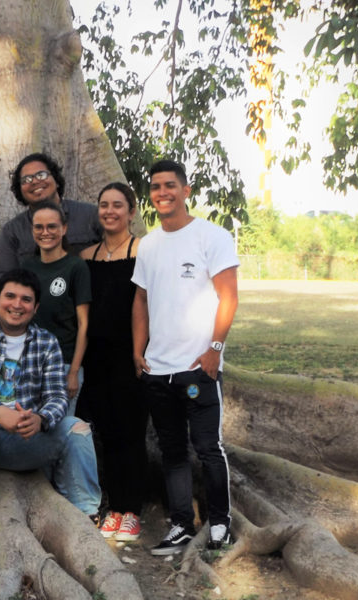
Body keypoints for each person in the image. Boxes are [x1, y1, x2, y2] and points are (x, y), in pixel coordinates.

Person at [0, 268, 101, 535]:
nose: (17, 305)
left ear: (35, 308)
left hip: (25, 441)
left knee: (77, 427)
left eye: (26, 299)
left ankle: (85, 513)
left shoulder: (47, 342)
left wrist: (41, 419)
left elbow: (58, 396)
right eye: (10, 296)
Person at [131, 160, 239, 555]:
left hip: (198, 368)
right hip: (158, 370)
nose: (162, 193)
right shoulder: (149, 245)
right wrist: (137, 350)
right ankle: (180, 524)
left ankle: (220, 524)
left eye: (170, 185)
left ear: (186, 190)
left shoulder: (212, 236)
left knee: (208, 448)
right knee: (172, 451)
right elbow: (140, 300)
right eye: (156, 187)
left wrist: (214, 350)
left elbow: (229, 296)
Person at [79, 182, 147, 542]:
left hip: (132, 353)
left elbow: (148, 304)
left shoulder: (143, 251)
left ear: (131, 212)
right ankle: (114, 509)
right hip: (95, 356)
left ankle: (131, 509)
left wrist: (140, 351)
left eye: (117, 205)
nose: (109, 211)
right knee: (105, 431)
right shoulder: (86, 256)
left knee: (131, 431)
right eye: (104, 205)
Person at [20, 203, 90, 414]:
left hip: (63, 365)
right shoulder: (27, 267)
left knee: (60, 427)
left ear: (64, 228)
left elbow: (84, 324)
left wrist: (74, 372)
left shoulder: (75, 267)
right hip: (28, 364)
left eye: (52, 226)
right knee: (27, 425)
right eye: (39, 227)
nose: (45, 232)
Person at [0, 152, 101, 281]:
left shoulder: (91, 215)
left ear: (56, 180)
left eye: (41, 175)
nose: (35, 181)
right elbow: (7, 281)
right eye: (26, 180)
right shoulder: (12, 232)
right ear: (20, 191)